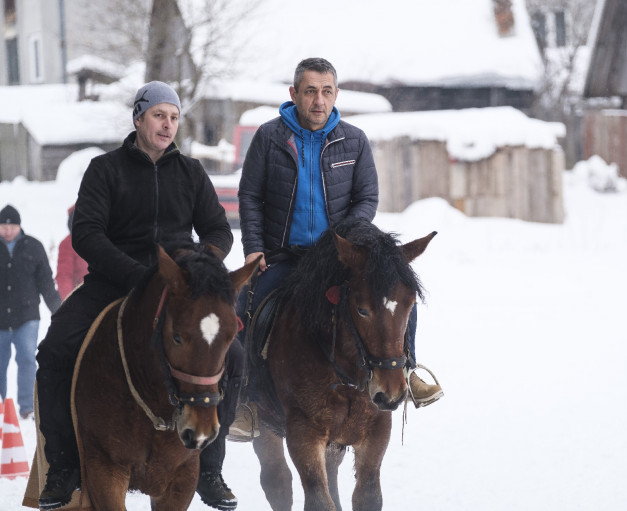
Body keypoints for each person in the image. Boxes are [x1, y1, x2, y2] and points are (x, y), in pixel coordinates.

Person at [35, 81, 242, 511]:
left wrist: (198, 265)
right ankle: (64, 467)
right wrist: (136, 273)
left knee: (235, 356)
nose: (167, 125)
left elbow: (219, 230)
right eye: (158, 116)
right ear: (138, 119)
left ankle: (210, 468)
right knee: (55, 350)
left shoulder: (191, 172)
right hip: (115, 281)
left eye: (173, 117)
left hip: (180, 287)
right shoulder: (104, 169)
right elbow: (86, 232)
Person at [232, 58, 443, 441]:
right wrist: (254, 249)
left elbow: (367, 197)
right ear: (294, 94)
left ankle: (408, 371)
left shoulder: (354, 139)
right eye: (310, 91)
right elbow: (249, 197)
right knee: (247, 303)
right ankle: (248, 401)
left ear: (336, 94)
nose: (318, 100)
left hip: (339, 258)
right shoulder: (269, 137)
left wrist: (345, 242)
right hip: (283, 255)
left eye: (326, 91)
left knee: (397, 296)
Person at [0, 205, 61, 421]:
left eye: (12, 226)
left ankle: (27, 406)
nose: (7, 231)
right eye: (3, 226)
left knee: (27, 357)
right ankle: (1, 404)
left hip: (27, 316)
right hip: (0, 320)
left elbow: (46, 282)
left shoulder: (33, 247)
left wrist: (60, 312)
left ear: (19, 226)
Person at [55, 206, 88, 300]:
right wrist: (69, 300)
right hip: (81, 299)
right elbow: (64, 276)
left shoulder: (100, 240)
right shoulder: (68, 244)